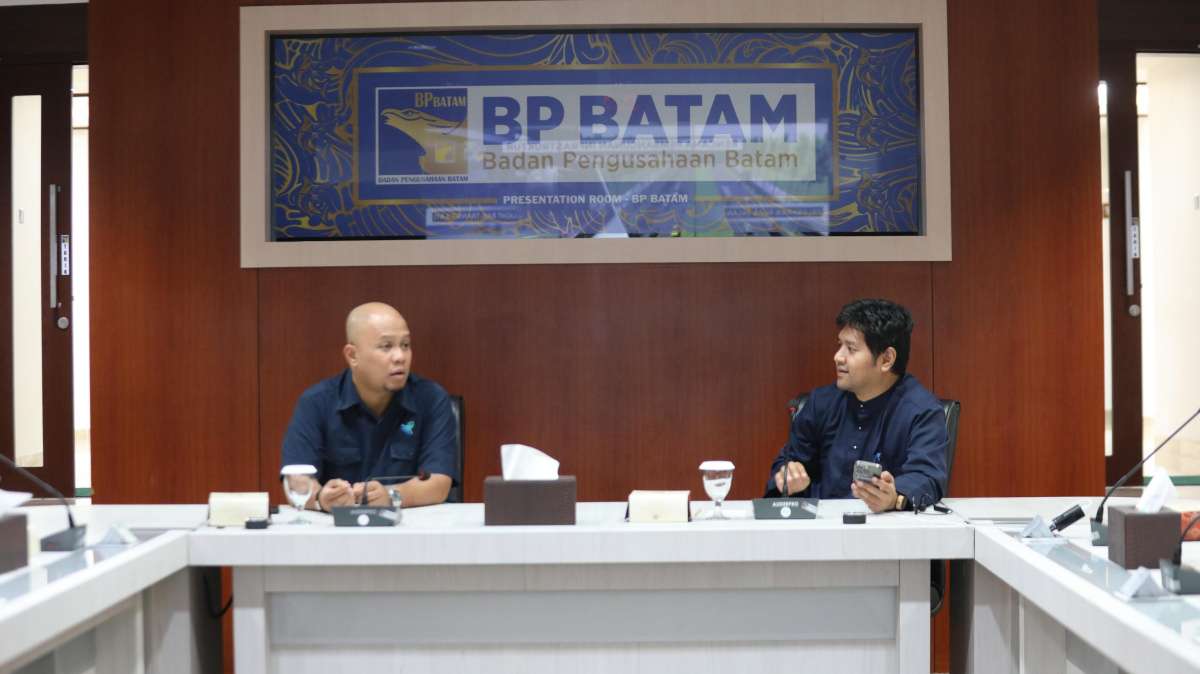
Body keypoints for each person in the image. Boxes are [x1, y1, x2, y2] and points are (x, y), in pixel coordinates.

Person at [767, 299, 947, 512]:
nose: (837, 357)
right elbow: (788, 462)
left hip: (884, 528)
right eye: (839, 345)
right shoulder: (821, 403)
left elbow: (927, 477)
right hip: (821, 525)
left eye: (851, 349)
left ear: (886, 359)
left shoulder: (922, 411)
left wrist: (894, 497)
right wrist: (787, 475)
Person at [281, 302, 457, 510]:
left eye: (405, 345)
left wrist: (391, 496)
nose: (400, 357)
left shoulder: (431, 399)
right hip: (336, 526)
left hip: (411, 525)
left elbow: (438, 483)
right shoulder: (316, 403)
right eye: (386, 346)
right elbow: (296, 478)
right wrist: (321, 498)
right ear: (352, 356)